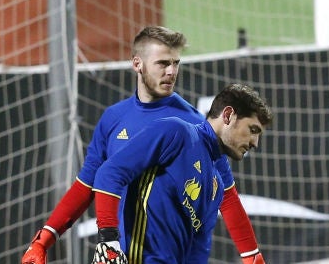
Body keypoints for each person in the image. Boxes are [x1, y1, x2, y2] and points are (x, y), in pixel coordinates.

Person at [22, 26, 267, 264]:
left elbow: (226, 196)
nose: (172, 72)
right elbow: (87, 184)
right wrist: (43, 240)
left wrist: (251, 255)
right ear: (137, 64)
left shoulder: (190, 124)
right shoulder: (113, 118)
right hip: (116, 251)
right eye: (163, 63)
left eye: (176, 63)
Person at [91, 83, 273, 264]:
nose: (255, 143)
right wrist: (108, 239)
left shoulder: (216, 186)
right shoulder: (176, 133)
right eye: (253, 130)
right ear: (227, 115)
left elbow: (197, 252)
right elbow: (110, 173)